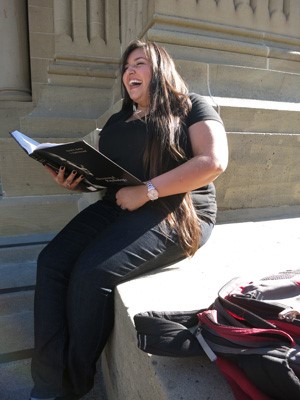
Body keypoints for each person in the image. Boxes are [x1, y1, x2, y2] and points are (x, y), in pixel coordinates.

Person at [29, 39, 228, 400]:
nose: (129, 72)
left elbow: (212, 163)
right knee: (52, 262)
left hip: (179, 211)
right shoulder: (117, 120)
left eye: (139, 63)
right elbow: (110, 179)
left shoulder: (192, 107)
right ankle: (46, 382)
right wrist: (75, 180)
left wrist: (147, 191)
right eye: (126, 67)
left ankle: (71, 387)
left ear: (161, 69)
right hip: (120, 204)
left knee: (91, 273)